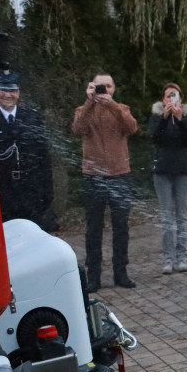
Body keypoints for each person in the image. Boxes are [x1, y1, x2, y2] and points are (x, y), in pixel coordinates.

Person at [71, 72, 139, 291]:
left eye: (108, 86)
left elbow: (131, 128)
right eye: (100, 87)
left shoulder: (122, 109)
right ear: (92, 87)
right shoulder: (83, 110)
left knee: (121, 228)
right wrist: (89, 102)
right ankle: (94, 277)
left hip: (119, 175)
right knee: (94, 229)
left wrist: (112, 105)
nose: (104, 90)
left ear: (114, 88)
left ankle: (121, 273)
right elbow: (78, 129)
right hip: (93, 176)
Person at [0, 69, 57, 231]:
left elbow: (43, 156)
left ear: (18, 92)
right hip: (3, 194)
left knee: (35, 238)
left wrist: (47, 192)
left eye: (12, 90)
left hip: (31, 192)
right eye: (3, 90)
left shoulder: (32, 117)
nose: (8, 95)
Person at [148, 82, 187, 274]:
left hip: (183, 171)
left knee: (182, 216)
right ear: (163, 99)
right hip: (162, 172)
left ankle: (182, 257)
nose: (171, 99)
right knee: (166, 217)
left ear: (181, 98)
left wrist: (180, 119)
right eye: (168, 95)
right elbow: (154, 136)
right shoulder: (156, 117)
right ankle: (168, 259)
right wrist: (165, 117)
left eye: (175, 95)